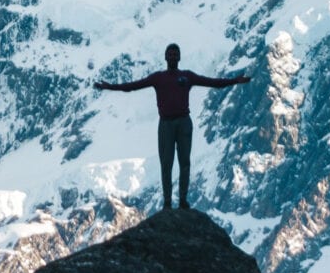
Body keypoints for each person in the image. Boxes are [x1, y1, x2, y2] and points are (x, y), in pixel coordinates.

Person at [94, 44, 253, 211]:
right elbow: (132, 86)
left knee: (184, 162)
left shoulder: (187, 76)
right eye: (170, 54)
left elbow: (212, 82)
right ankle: (168, 202)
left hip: (183, 122)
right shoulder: (158, 78)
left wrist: (235, 81)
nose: (172, 56)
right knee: (166, 164)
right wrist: (110, 87)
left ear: (179, 57)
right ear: (165, 57)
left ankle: (182, 200)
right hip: (166, 124)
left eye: (175, 54)